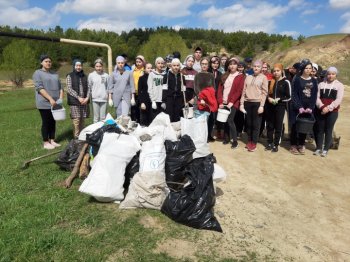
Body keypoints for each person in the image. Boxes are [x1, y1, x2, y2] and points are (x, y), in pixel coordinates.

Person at [33, 54, 63, 149]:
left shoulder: (55, 74)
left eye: (50, 61)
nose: (48, 63)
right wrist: (50, 99)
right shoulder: (37, 73)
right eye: (46, 61)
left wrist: (60, 98)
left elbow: (61, 87)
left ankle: (52, 140)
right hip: (44, 103)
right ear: (41, 62)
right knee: (46, 122)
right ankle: (46, 142)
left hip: (55, 103)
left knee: (53, 122)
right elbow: (39, 88)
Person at [289, 59, 318, 155]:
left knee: (304, 126)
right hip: (297, 107)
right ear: (302, 68)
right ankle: (293, 144)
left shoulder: (314, 80)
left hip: (308, 107)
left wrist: (311, 107)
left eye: (310, 68)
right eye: (306, 68)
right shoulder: (297, 79)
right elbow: (294, 94)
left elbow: (314, 95)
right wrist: (299, 106)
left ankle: (301, 144)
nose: (308, 70)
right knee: (294, 125)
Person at [314, 67, 344, 157]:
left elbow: (338, 99)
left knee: (328, 130)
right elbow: (317, 98)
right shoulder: (321, 84)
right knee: (320, 129)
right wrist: (322, 107)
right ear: (326, 74)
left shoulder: (340, 85)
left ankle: (325, 149)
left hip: (332, 112)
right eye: (329, 74)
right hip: (321, 110)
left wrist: (329, 108)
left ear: (336, 75)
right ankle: (318, 148)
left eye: (333, 74)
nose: (330, 76)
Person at [217, 57, 245, 149]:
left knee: (230, 120)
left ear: (237, 65)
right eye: (230, 64)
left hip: (233, 102)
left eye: (234, 64)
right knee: (225, 120)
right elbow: (220, 90)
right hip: (224, 102)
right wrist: (220, 101)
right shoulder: (224, 75)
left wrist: (232, 102)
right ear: (228, 66)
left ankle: (235, 141)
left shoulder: (240, 76)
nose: (232, 66)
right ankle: (227, 138)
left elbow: (239, 90)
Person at [240, 60, 268, 152]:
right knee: (248, 124)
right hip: (247, 103)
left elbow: (264, 93)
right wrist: (241, 103)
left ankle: (254, 143)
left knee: (256, 124)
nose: (256, 68)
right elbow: (243, 91)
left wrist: (262, 105)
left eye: (258, 66)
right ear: (252, 67)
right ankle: (249, 140)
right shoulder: (248, 77)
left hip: (257, 103)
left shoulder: (263, 78)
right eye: (254, 66)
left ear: (261, 68)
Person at [265, 63, 291, 152]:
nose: (276, 73)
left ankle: (276, 144)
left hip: (280, 107)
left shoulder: (286, 82)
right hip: (270, 106)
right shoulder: (270, 81)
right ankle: (269, 142)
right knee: (270, 125)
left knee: (278, 126)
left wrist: (279, 99)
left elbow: (289, 96)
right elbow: (267, 94)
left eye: (278, 71)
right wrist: (269, 98)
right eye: (274, 71)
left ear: (282, 71)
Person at [66, 59, 90, 138]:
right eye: (77, 65)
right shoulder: (70, 76)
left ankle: (82, 136)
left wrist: (87, 98)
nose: (78, 67)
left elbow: (89, 88)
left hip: (84, 101)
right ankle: (76, 137)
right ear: (74, 66)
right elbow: (69, 89)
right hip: (75, 101)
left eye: (80, 65)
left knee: (82, 120)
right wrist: (78, 97)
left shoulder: (85, 76)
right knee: (76, 120)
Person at [162, 58, 186, 122]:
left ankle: (176, 131)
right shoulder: (166, 76)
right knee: (169, 116)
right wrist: (164, 101)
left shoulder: (181, 76)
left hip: (178, 99)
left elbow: (183, 89)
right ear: (171, 66)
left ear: (179, 66)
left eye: (177, 65)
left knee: (177, 116)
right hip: (169, 99)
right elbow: (164, 89)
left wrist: (183, 101)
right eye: (174, 65)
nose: (176, 67)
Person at [88, 58, 109, 123]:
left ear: (102, 67)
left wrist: (108, 96)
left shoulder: (106, 75)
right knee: (96, 118)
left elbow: (108, 87)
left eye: (100, 66)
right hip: (95, 99)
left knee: (103, 117)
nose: (98, 68)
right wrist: (89, 96)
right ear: (94, 67)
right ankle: (95, 131)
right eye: (97, 66)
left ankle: (102, 131)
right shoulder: (91, 75)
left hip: (104, 99)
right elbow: (89, 87)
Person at [131, 55, 145, 122]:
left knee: (141, 107)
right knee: (134, 108)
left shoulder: (144, 70)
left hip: (142, 92)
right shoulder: (133, 70)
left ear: (143, 62)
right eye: (137, 62)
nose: (138, 63)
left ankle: (140, 121)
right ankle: (134, 120)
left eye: (139, 62)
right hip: (134, 92)